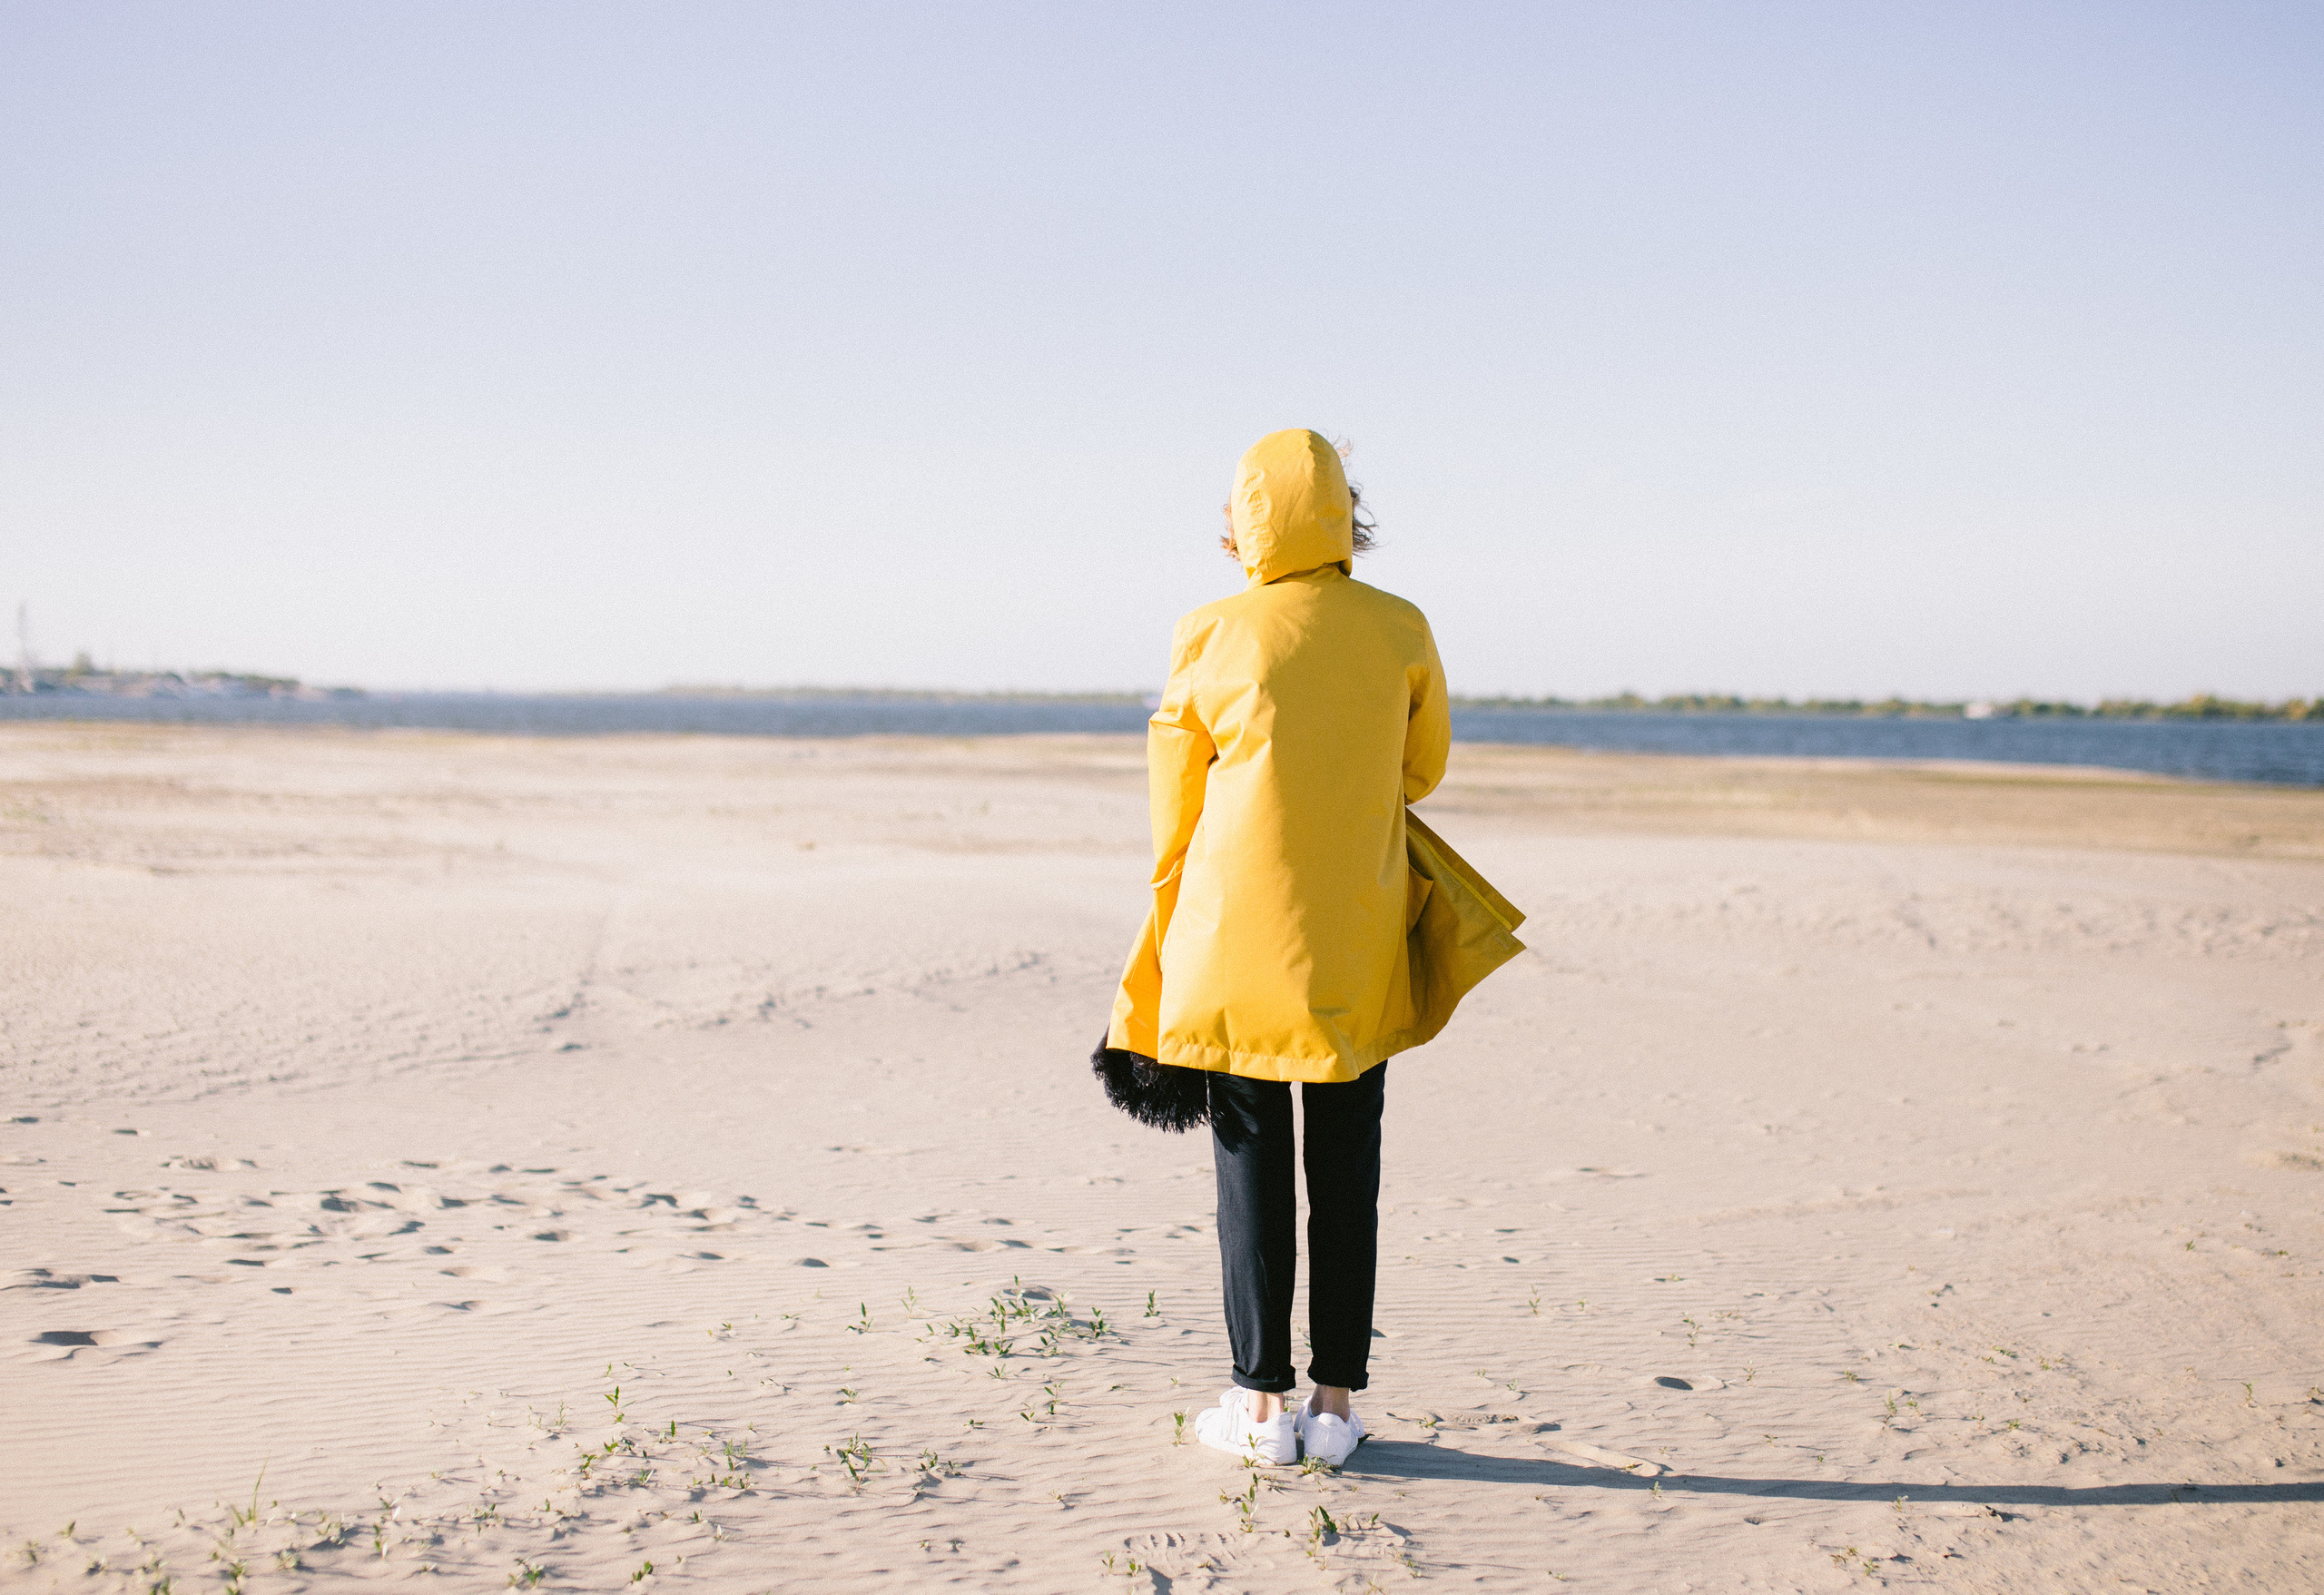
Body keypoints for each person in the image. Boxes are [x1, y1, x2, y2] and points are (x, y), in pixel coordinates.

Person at [1103, 428, 1489, 1468]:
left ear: (1246, 525)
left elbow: (1174, 809)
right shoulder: (1400, 625)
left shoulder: (1208, 631)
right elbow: (1420, 771)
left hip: (1234, 933)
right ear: (1340, 518)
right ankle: (1333, 1403)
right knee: (1348, 1167)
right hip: (1355, 931)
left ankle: (1260, 1408)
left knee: (1250, 1169)